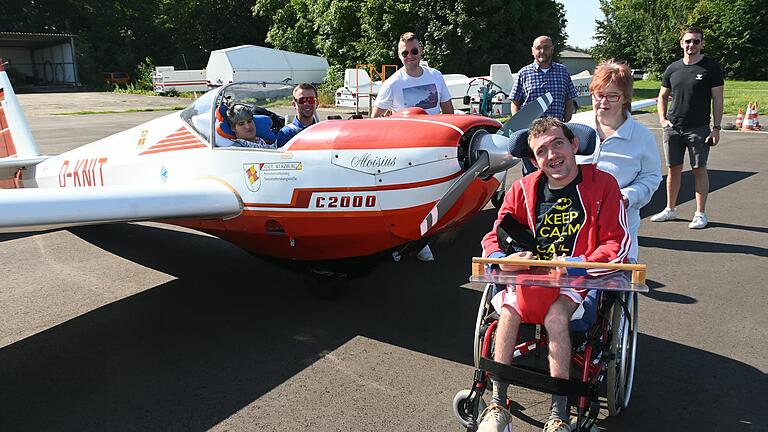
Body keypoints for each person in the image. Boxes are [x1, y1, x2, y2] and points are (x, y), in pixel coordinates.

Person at [478, 118, 629, 432]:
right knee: (507, 311)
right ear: (534, 160)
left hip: (576, 279)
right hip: (529, 276)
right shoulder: (522, 189)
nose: (552, 155)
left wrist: (577, 263)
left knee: (556, 317)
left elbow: (617, 242)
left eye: (558, 143)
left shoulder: (603, 184)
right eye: (542, 150)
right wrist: (501, 259)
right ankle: (497, 405)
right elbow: (495, 235)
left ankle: (558, 415)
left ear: (574, 145)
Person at [572, 60, 662, 262]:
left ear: (625, 99)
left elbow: (651, 176)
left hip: (619, 227)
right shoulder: (574, 127)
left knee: (614, 284)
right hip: (574, 227)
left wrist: (628, 196)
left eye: (612, 96)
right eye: (599, 94)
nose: (603, 102)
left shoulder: (641, 136)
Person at [652, 26, 724, 229]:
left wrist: (716, 128)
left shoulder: (711, 67)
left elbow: (717, 99)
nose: (691, 45)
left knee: (699, 169)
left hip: (699, 128)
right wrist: (663, 120)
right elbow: (662, 96)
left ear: (702, 43)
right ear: (681, 43)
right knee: (673, 170)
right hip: (673, 128)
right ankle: (670, 209)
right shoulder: (673, 68)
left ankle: (700, 214)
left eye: (696, 41)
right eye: (688, 41)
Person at [511, 35, 578, 175]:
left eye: (546, 47)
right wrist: (519, 125)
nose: (542, 51)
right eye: (538, 48)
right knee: (532, 175)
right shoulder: (524, 73)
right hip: (532, 135)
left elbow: (569, 100)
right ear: (532, 51)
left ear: (552, 49)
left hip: (557, 133)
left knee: (559, 170)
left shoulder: (563, 71)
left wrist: (565, 122)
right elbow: (515, 102)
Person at [370, 32, 454, 117]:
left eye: (414, 51)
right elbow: (374, 119)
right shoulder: (391, 84)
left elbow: (449, 113)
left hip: (434, 130)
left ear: (421, 50)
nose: (409, 56)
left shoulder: (436, 76)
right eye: (405, 53)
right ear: (399, 55)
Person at [276, 83, 320, 147]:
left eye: (311, 100)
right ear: (294, 104)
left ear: (317, 103)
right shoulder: (286, 133)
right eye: (302, 100)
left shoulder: (323, 131)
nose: (306, 104)